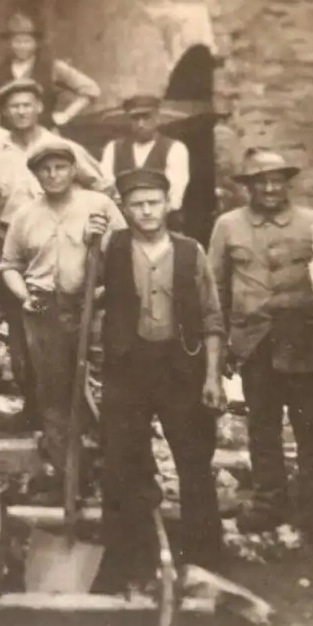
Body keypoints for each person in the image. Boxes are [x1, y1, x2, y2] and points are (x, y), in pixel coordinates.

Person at [99, 168, 225, 593]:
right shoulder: (111, 247)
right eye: (137, 204)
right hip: (127, 367)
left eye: (154, 201)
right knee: (120, 463)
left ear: (169, 204)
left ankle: (205, 558)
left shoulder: (191, 252)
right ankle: (125, 559)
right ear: (125, 209)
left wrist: (212, 377)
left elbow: (211, 318)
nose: (146, 211)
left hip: (180, 368)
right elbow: (81, 291)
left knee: (193, 461)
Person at [209, 148, 313, 546]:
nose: (269, 187)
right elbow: (215, 288)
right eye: (260, 181)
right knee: (263, 427)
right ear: (247, 187)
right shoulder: (228, 226)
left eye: (276, 180)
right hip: (254, 343)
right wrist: (224, 344)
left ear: (287, 183)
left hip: (301, 342)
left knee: (310, 428)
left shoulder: (312, 224)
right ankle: (269, 503)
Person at [0, 78, 109, 425]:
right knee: (24, 341)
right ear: (2, 112)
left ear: (39, 108)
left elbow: (100, 184)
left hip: (71, 245)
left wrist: (90, 219)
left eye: (27, 104)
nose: (20, 111)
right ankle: (38, 412)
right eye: (13, 106)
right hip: (20, 248)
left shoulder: (61, 146)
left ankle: (80, 418)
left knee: (75, 345)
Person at [0, 142, 125, 487]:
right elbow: (9, 265)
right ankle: (69, 475)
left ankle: (112, 464)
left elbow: (125, 257)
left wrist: (103, 290)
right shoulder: (25, 215)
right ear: (36, 175)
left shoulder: (99, 206)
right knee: (52, 388)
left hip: (92, 303)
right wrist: (24, 295)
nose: (53, 176)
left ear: (73, 171)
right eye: (45, 170)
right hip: (41, 303)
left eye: (60, 168)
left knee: (100, 386)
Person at [0, 12, 99, 131]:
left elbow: (91, 89)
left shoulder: (53, 67)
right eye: (17, 42)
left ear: (36, 43)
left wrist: (66, 115)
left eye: (27, 41)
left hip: (44, 132)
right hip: (7, 134)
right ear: (10, 43)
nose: (22, 46)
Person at [100, 95, 190, 231]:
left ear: (157, 118)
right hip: (121, 223)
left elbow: (175, 194)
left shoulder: (175, 148)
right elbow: (107, 187)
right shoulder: (113, 148)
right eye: (135, 119)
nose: (140, 124)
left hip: (163, 225)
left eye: (146, 117)